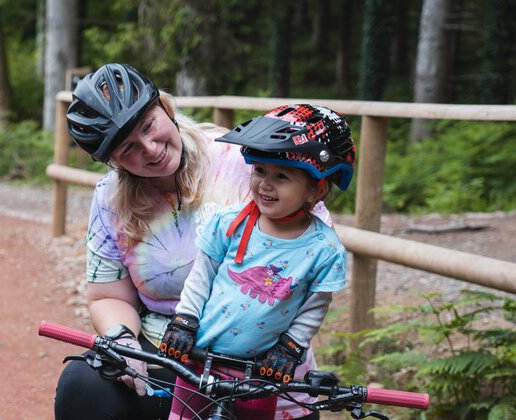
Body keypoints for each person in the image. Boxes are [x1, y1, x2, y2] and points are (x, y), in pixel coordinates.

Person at [53, 63, 328, 420]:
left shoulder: (248, 164)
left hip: (261, 363)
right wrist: (123, 342)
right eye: (128, 150)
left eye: (149, 127)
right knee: (84, 385)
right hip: (169, 358)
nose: (150, 149)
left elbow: (315, 258)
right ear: (114, 163)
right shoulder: (110, 198)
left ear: (165, 107)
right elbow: (108, 295)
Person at [160, 104, 356, 419]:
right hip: (200, 359)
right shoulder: (228, 223)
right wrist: (184, 321)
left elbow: (314, 305)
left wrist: (290, 348)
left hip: (260, 374)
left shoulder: (324, 248)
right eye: (260, 170)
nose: (265, 184)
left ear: (316, 189)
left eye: (282, 176)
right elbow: (202, 277)